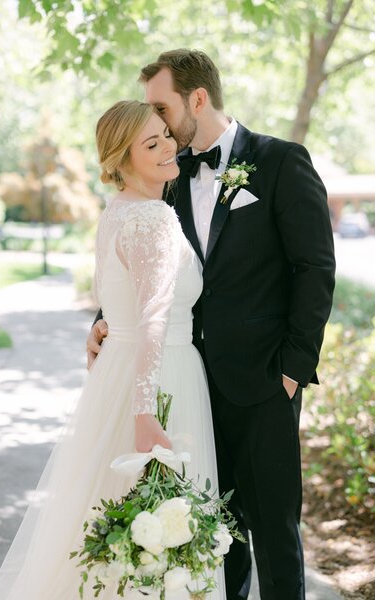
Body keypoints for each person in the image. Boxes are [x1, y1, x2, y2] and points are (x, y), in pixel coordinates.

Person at [88, 50, 336, 600]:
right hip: (190, 384)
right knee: (208, 537)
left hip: (264, 381)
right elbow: (150, 270)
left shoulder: (280, 161)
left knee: (273, 533)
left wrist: (293, 370)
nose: (153, 121)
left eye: (161, 106)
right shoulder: (167, 174)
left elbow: (314, 268)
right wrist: (108, 320)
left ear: (197, 99)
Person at [0, 100, 226, 600]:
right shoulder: (154, 218)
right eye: (151, 143)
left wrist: (106, 335)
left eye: (166, 134)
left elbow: (120, 304)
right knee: (155, 532)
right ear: (121, 158)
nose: (168, 148)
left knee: (119, 527)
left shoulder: (118, 211)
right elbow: (154, 316)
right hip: (161, 380)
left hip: (124, 370)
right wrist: (145, 413)